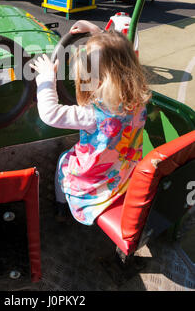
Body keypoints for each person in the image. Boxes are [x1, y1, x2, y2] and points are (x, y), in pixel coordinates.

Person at [30, 20, 151, 225]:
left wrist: (46, 79)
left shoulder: (93, 114)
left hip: (98, 182)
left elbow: (50, 114)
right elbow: (117, 53)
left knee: (63, 160)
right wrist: (96, 32)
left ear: (98, 81)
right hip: (126, 171)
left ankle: (62, 207)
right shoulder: (139, 101)